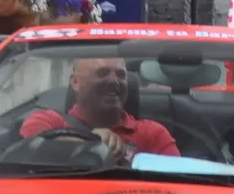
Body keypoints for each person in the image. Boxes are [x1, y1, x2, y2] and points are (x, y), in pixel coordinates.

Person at [18, 56, 180, 165]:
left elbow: (178, 183)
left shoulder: (152, 134)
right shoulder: (50, 121)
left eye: (121, 75)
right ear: (75, 82)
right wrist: (93, 141)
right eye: (102, 73)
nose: (114, 80)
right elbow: (30, 145)